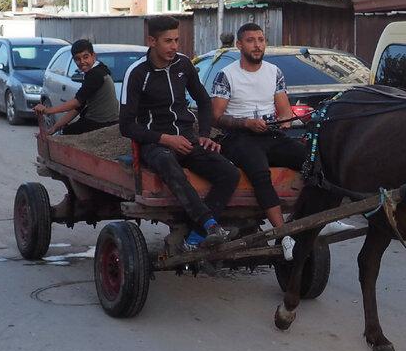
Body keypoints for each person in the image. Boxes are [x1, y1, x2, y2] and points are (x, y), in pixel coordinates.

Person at [120, 16, 239, 250]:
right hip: (155, 143)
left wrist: (204, 134)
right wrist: (165, 139)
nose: (174, 46)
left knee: (230, 173)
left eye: (177, 40)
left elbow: (204, 103)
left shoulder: (184, 65)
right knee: (169, 165)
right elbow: (126, 126)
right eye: (168, 41)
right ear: (152, 41)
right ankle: (210, 225)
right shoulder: (136, 73)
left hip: (188, 138)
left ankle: (195, 237)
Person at [211, 23, 308, 252]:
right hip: (238, 137)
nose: (257, 45)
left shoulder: (274, 72)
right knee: (259, 172)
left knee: (311, 161)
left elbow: (284, 111)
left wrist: (285, 121)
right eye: (251, 40)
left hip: (269, 133)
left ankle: (315, 219)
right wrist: (245, 123)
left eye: (261, 40)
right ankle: (283, 236)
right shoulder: (227, 74)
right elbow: (216, 117)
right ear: (239, 45)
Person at [33, 39, 118, 135]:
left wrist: (48, 110)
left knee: (63, 136)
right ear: (74, 60)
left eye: (85, 57)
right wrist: (54, 128)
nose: (82, 62)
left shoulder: (95, 75)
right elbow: (78, 107)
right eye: (78, 59)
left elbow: (76, 103)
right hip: (108, 122)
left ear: (93, 56)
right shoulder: (100, 69)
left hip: (99, 123)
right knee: (62, 131)